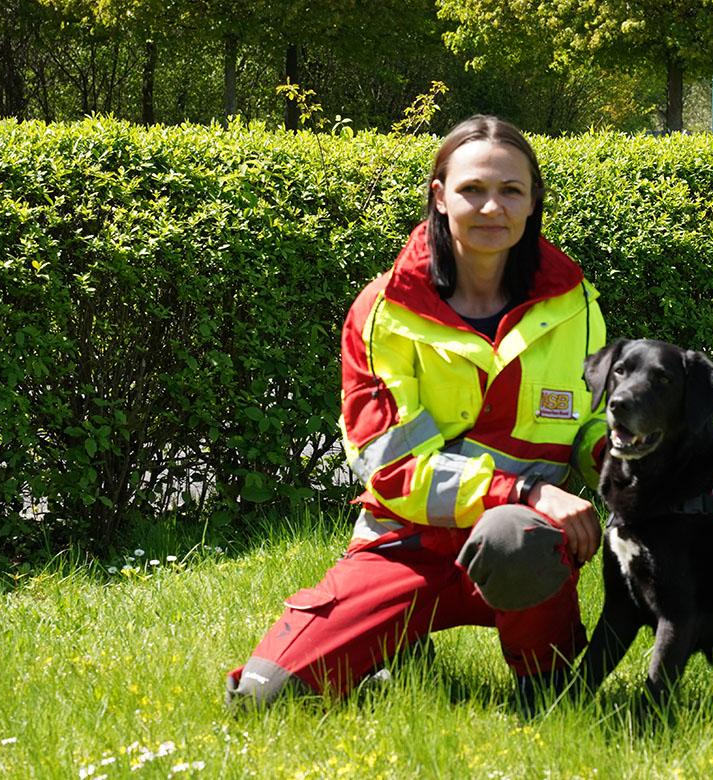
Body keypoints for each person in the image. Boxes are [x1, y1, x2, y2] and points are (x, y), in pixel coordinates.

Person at [225, 115, 606, 714]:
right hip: (404, 544)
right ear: (439, 195)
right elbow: (393, 467)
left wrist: (620, 455)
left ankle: (547, 686)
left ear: (533, 202)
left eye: (510, 190)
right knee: (263, 700)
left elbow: (588, 422)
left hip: (518, 548)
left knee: (517, 539)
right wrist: (527, 489)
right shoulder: (382, 311)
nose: (491, 207)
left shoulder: (575, 301)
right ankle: (398, 643)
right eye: (472, 189)